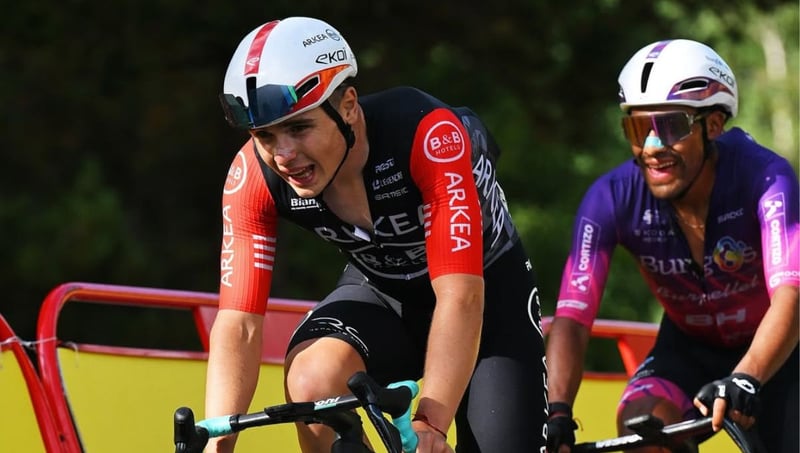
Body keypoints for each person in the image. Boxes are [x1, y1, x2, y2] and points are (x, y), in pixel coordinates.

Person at [204, 16, 548, 453]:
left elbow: (461, 296)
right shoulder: (252, 177)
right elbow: (239, 324)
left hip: (485, 293)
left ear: (348, 105)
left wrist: (432, 423)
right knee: (312, 381)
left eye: (299, 127)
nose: (283, 154)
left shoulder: (426, 133)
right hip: (383, 289)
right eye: (264, 135)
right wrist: (217, 443)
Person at [545, 39, 799, 453]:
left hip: (781, 348)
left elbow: (791, 293)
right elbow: (573, 318)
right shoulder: (610, 197)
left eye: (670, 127)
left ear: (712, 125)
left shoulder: (766, 177)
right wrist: (557, 412)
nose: (651, 147)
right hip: (688, 347)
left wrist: (747, 376)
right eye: (637, 128)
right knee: (644, 430)